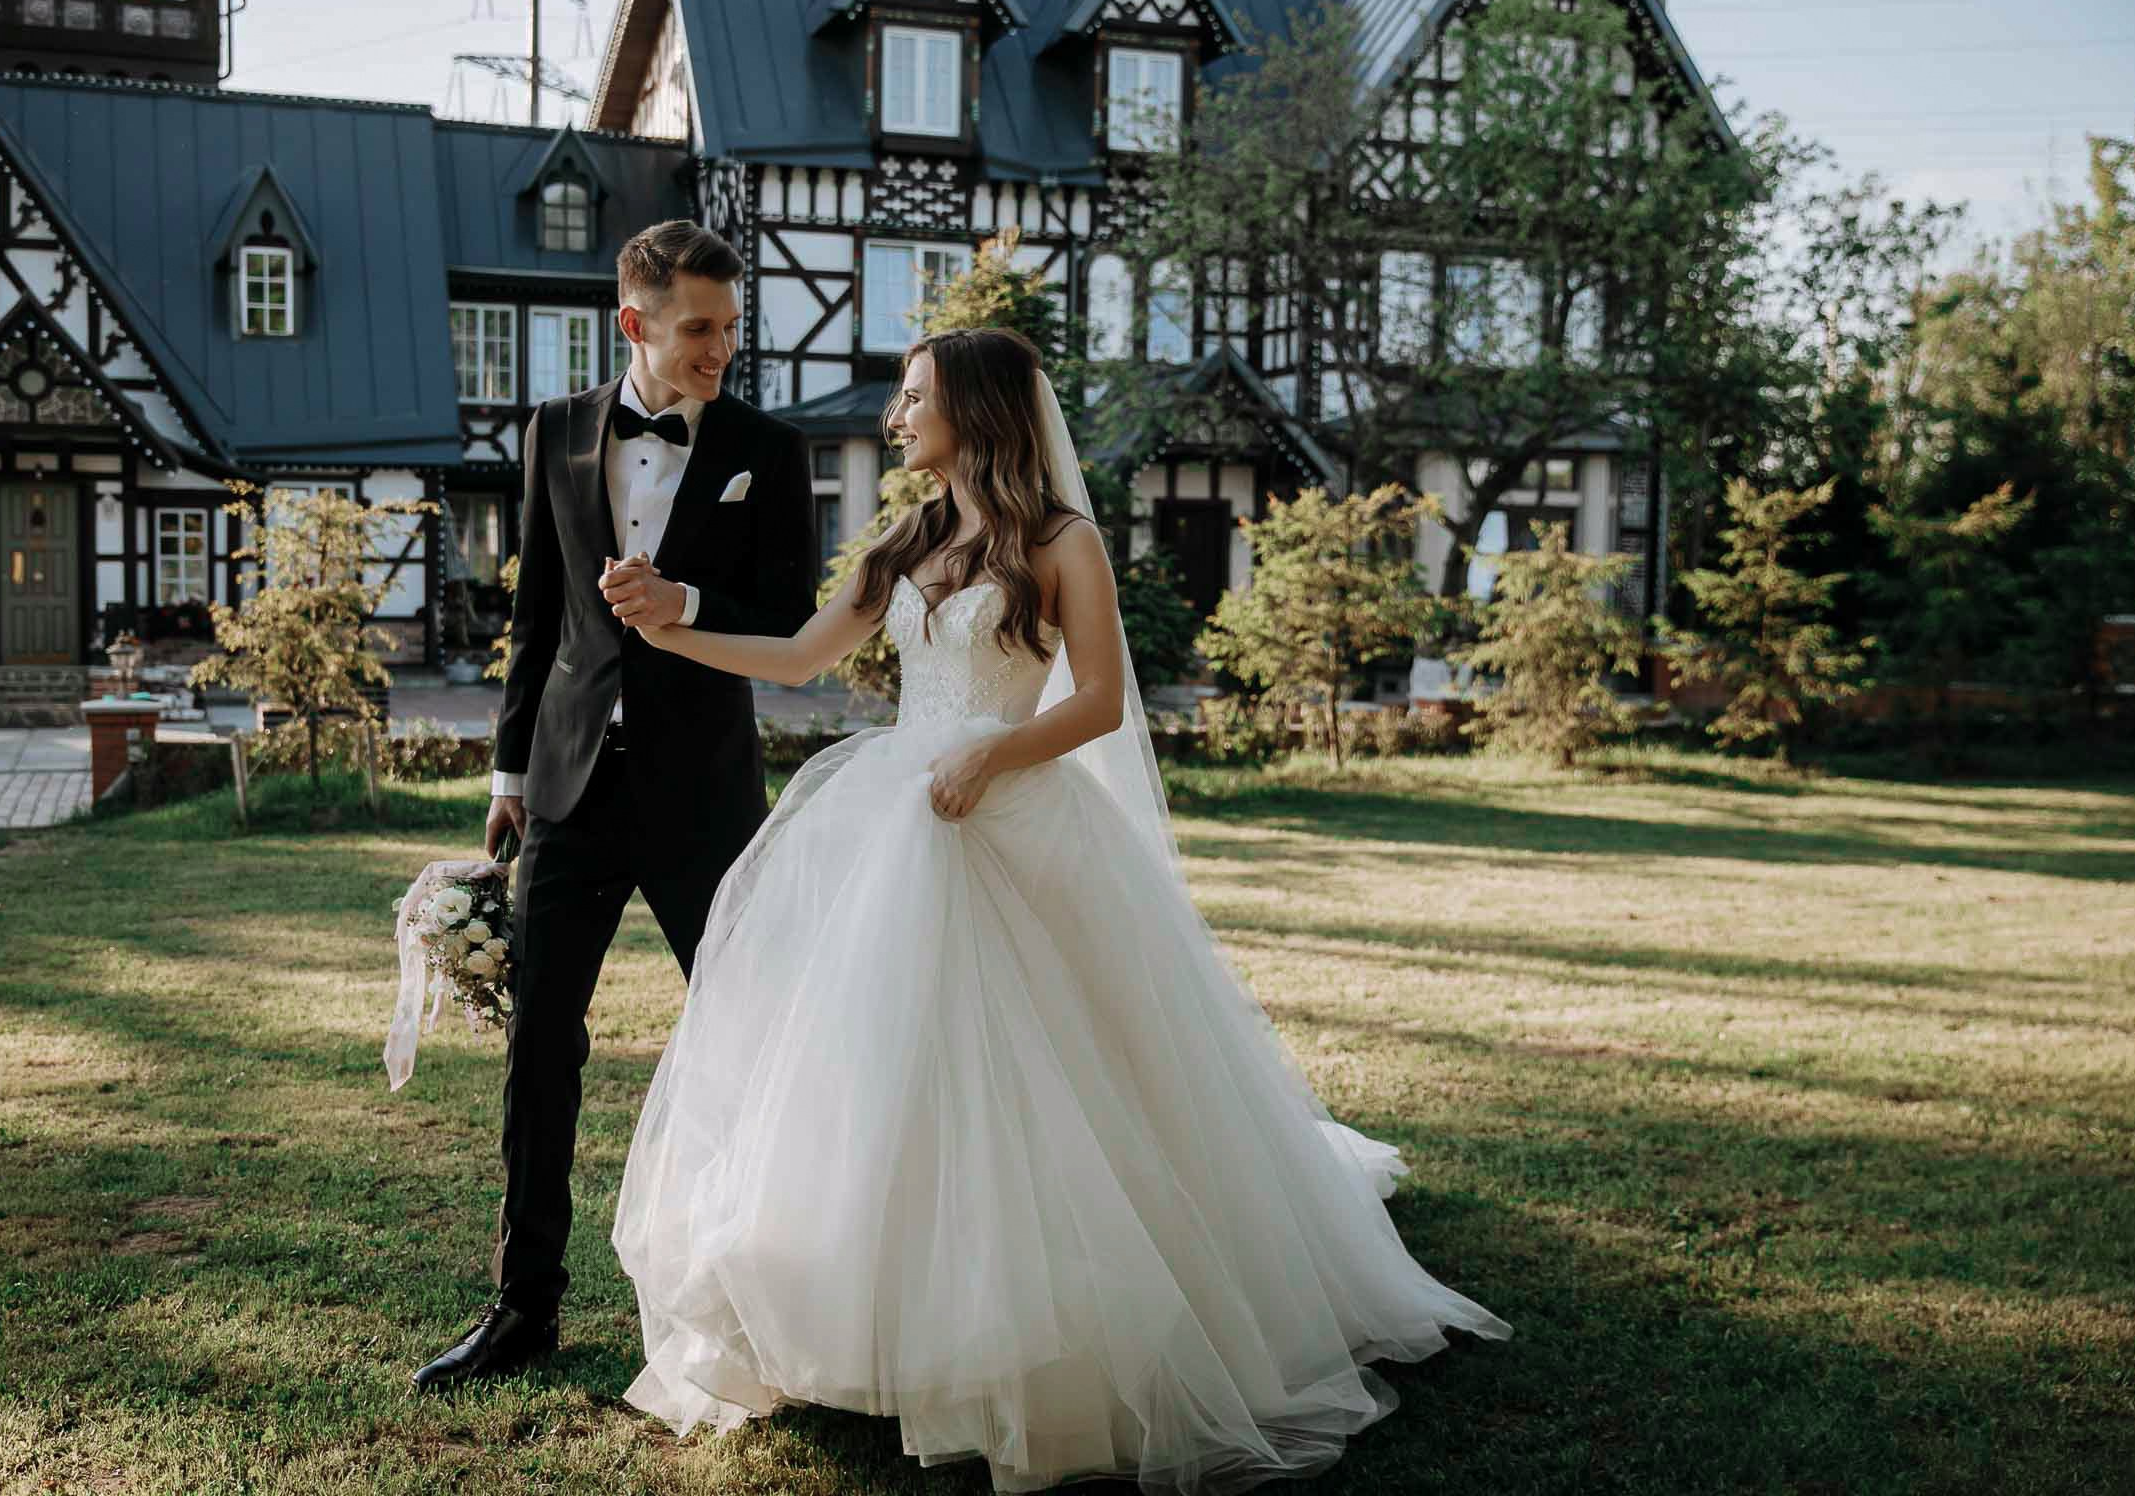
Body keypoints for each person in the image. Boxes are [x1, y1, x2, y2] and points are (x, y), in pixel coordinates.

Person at [609, 326, 1510, 1492]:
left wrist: (995, 756)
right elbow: (795, 658)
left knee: (1050, 1069)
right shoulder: (907, 539)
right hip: (890, 820)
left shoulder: (1060, 541)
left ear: (976, 411)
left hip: (1011, 813)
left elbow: (1096, 699)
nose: (897, 416)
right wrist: (668, 624)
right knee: (879, 1070)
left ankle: (1047, 1315)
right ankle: (870, 1311)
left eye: (917, 397)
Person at [411, 219, 818, 1391]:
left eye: (732, 329)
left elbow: (788, 615)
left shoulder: (768, 448)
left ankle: (775, 1290)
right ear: (635, 323)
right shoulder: (551, 432)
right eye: (699, 328)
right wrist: (505, 777)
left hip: (703, 793)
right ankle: (522, 1305)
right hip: (570, 787)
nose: (720, 351)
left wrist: (683, 595)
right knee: (541, 1050)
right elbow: (535, 619)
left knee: (750, 1044)